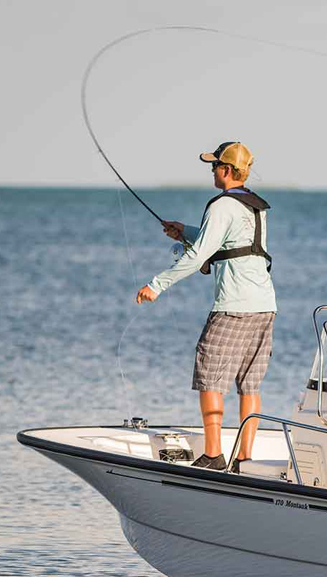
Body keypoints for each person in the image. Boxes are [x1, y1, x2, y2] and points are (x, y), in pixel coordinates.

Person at [136, 141, 276, 473]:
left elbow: (199, 255)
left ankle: (213, 454)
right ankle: (245, 458)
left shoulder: (221, 206)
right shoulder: (255, 206)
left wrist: (157, 285)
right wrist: (185, 232)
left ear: (226, 171)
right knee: (249, 383)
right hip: (266, 306)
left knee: (210, 376)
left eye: (214, 166)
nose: (212, 171)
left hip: (234, 305)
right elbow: (230, 244)